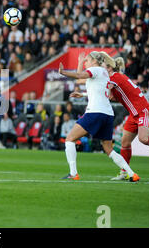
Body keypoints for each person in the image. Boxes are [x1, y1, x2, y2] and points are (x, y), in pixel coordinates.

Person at [58, 52, 140, 182]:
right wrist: (84, 94)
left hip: (95, 112)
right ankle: (131, 173)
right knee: (108, 148)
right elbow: (86, 82)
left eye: (87, 60)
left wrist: (63, 72)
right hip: (107, 114)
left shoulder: (95, 69)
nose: (85, 63)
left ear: (94, 61)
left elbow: (79, 76)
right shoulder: (104, 73)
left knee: (69, 139)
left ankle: (73, 173)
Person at [101, 53, 149, 180]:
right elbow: (111, 96)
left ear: (109, 68)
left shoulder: (114, 78)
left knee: (143, 139)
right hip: (134, 113)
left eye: (103, 67)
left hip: (144, 110)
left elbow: (105, 92)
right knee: (125, 142)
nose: (101, 70)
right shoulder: (115, 79)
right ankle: (124, 171)